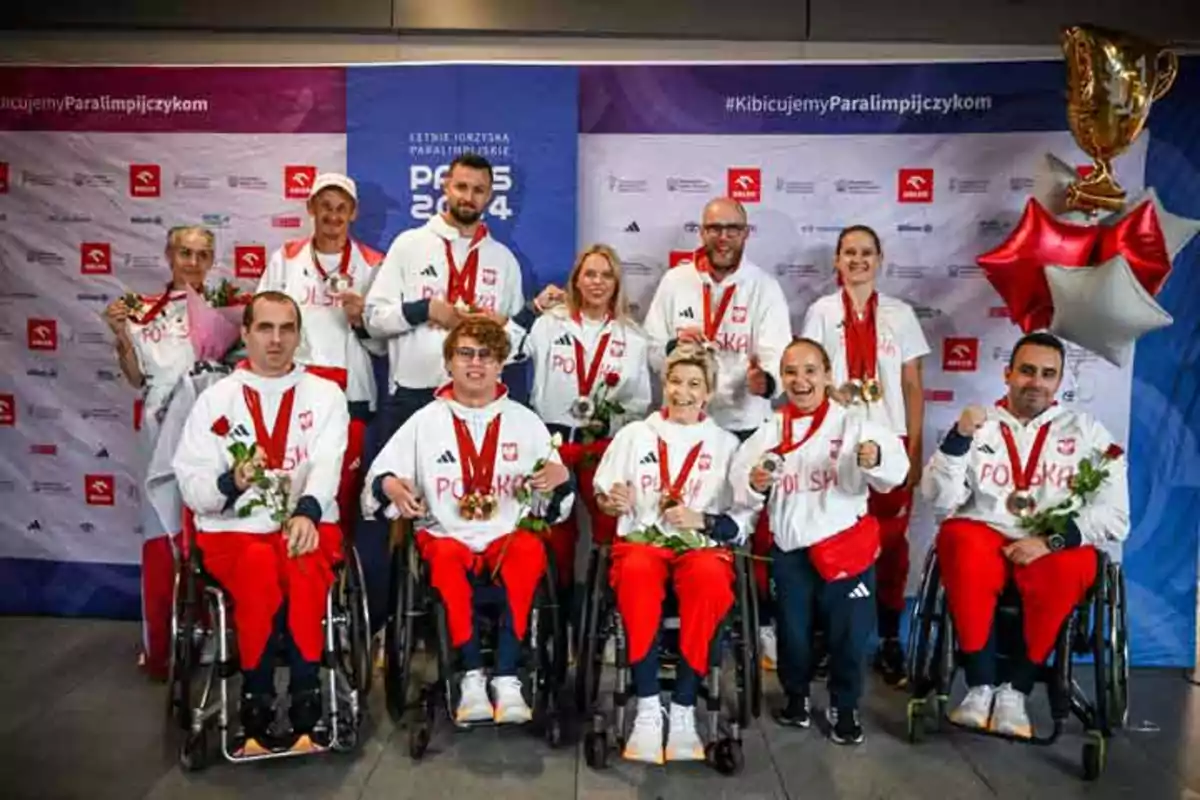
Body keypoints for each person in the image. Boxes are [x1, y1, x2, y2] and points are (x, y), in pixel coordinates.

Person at [361, 318, 574, 725]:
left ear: (500, 364)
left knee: (530, 549)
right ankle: (472, 676)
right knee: (442, 556)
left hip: (506, 536)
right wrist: (392, 487)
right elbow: (380, 476)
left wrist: (560, 479)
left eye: (486, 355)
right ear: (449, 363)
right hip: (446, 535)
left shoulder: (525, 420)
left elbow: (555, 496)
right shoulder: (426, 420)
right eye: (465, 354)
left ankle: (508, 677)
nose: (475, 364)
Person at [921, 331, 1129, 739]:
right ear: (1008, 373)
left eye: (1047, 374)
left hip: (1052, 542)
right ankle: (980, 685)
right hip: (987, 533)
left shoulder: (1086, 431)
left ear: (1060, 382)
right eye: (1027, 371)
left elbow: (1115, 514)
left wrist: (1050, 542)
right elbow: (940, 500)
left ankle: (1015, 690)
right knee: (957, 538)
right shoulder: (979, 425)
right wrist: (958, 440)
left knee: (1075, 563)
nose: (1036, 381)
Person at [172, 291, 350, 754]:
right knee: (255, 567)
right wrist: (231, 481)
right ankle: (256, 695)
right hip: (234, 531)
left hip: (305, 522)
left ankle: (309, 693)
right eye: (265, 328)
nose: (276, 339)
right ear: (246, 333)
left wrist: (308, 511)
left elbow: (329, 461)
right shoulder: (216, 400)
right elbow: (192, 482)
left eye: (286, 329)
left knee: (305, 560)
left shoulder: (326, 394)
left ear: (298, 335)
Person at [730, 338, 908, 746]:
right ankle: (796, 699)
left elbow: (896, 469)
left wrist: (874, 458)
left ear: (828, 375)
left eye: (811, 370)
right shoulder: (772, 428)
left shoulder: (854, 423)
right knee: (792, 633)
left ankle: (844, 706)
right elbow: (740, 484)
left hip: (846, 549)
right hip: (792, 551)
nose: (800, 380)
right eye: (791, 372)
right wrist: (754, 483)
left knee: (849, 634)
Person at [642, 196, 792, 668]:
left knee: (750, 531)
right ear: (701, 233)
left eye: (732, 228)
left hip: (744, 425)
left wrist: (766, 381)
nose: (722, 236)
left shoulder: (763, 288)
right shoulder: (676, 281)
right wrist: (672, 347)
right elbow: (650, 345)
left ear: (746, 234)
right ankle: (674, 620)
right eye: (714, 228)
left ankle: (761, 621)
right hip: (686, 425)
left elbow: (778, 354)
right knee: (679, 517)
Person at [592, 343, 753, 764]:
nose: (683, 392)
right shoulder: (634, 435)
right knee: (638, 572)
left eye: (695, 384)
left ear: (710, 392)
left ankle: (682, 710)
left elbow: (742, 514)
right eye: (676, 381)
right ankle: (647, 707)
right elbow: (605, 490)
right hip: (643, 542)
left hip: (700, 548)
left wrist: (704, 520)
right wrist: (612, 499)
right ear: (664, 384)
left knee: (709, 577)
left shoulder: (726, 444)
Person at [800, 224, 930, 684]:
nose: (857, 260)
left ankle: (890, 639)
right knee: (830, 542)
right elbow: (808, 378)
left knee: (891, 549)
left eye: (866, 253)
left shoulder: (900, 314)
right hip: (837, 444)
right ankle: (824, 639)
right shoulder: (821, 312)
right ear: (836, 260)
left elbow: (913, 386)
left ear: (880, 260)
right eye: (849, 253)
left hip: (890, 445)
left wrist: (914, 450)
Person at [103, 225, 215, 681]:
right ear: (169, 255)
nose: (192, 262)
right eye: (185, 253)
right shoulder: (141, 311)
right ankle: (162, 646)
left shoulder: (229, 306)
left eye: (202, 254)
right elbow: (134, 378)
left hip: (210, 428)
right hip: (160, 427)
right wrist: (122, 336)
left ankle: (213, 634)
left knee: (211, 529)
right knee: (163, 537)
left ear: (212, 261)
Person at [516, 244, 652, 609]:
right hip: (554, 443)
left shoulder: (633, 337)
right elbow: (508, 349)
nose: (597, 282)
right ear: (576, 280)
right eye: (590, 274)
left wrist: (608, 416)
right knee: (554, 531)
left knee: (611, 529)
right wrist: (531, 310)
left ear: (617, 283)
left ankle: (606, 608)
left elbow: (639, 404)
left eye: (606, 275)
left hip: (603, 445)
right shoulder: (549, 323)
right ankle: (551, 611)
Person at [257, 172, 385, 538]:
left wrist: (361, 321)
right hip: (291, 390)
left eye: (341, 208)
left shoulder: (374, 263)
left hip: (351, 394)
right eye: (325, 207)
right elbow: (261, 319)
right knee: (289, 486)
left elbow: (381, 345)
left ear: (354, 213)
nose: (333, 215)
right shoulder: (286, 257)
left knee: (341, 493)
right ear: (310, 207)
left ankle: (337, 569)